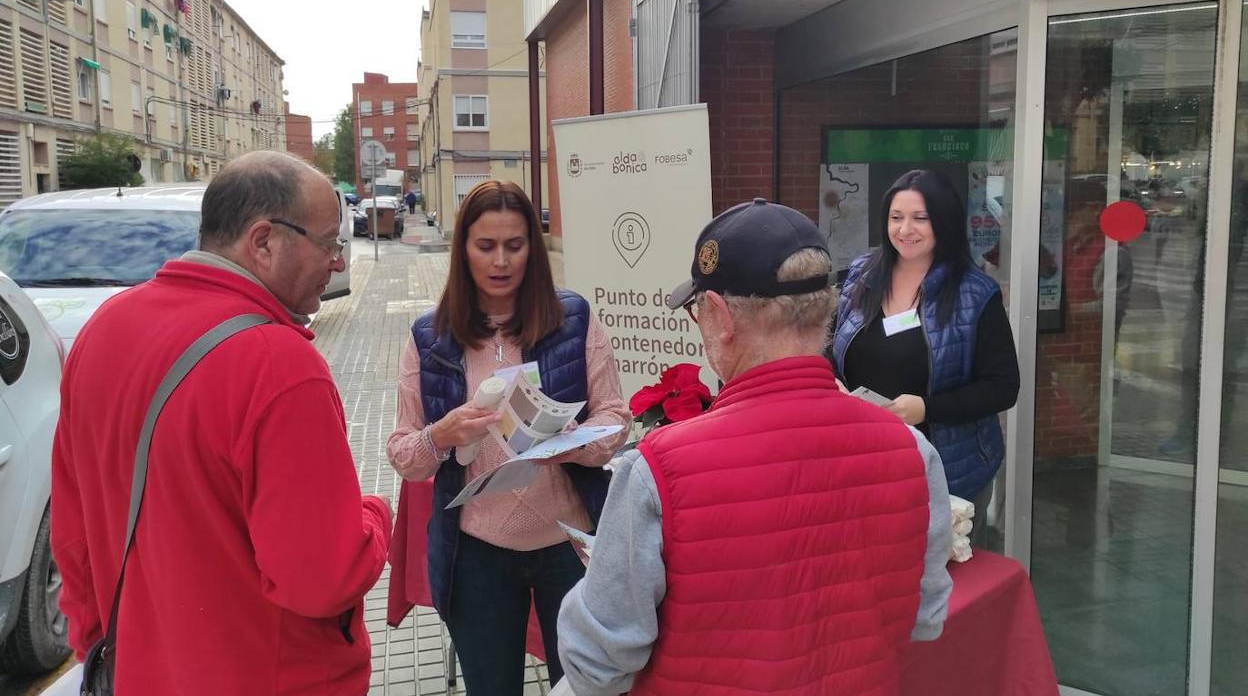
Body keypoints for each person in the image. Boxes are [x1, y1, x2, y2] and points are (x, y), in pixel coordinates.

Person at [557, 198, 953, 696]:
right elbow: (926, 617)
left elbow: (598, 664)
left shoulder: (659, 470)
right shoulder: (913, 453)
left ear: (720, 315)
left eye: (697, 307)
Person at [50, 151, 393, 695]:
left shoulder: (103, 329)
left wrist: (101, 643)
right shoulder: (280, 365)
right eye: (329, 243)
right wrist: (376, 516)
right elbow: (323, 579)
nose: (336, 262)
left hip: (140, 671)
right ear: (263, 242)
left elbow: (73, 533)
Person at [386, 180, 630, 695]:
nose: (501, 261)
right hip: (477, 552)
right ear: (463, 250)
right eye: (486, 246)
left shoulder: (574, 321)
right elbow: (405, 456)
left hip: (571, 546)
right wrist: (442, 434)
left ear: (533, 250)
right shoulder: (429, 340)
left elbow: (615, 415)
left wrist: (571, 443)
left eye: (515, 246)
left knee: (585, 686)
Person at [830, 169, 1020, 517]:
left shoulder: (975, 294)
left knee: (944, 569)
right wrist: (834, 385)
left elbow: (1003, 387)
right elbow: (830, 345)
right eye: (896, 218)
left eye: (920, 218)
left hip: (947, 472)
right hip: (866, 460)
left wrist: (927, 409)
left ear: (944, 222)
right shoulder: (862, 274)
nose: (905, 230)